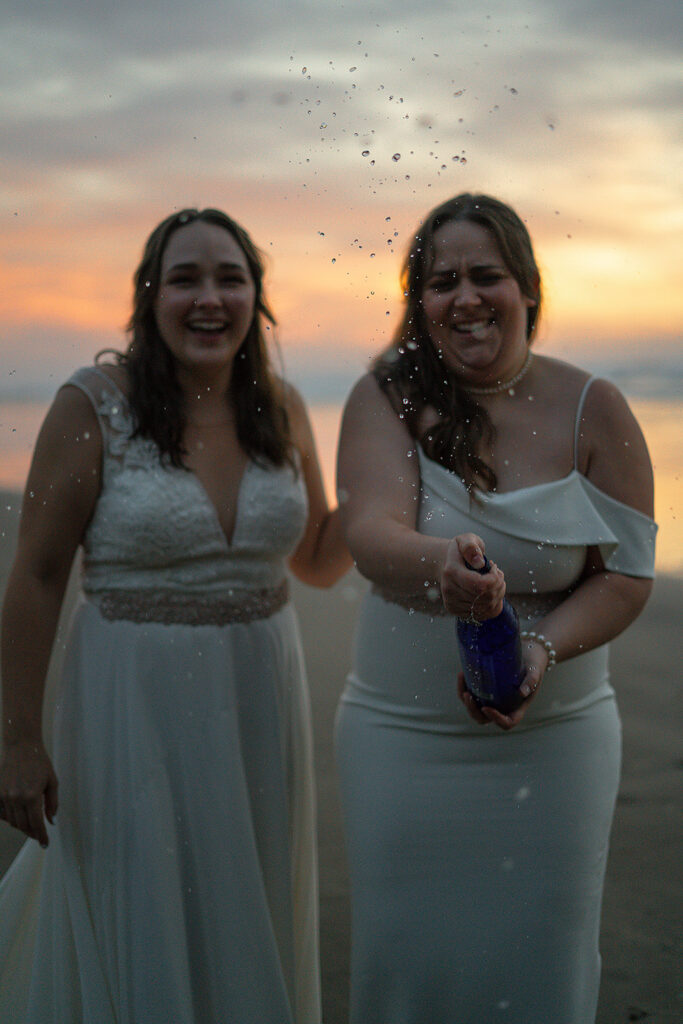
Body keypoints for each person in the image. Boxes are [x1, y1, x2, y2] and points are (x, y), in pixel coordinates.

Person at [0, 207, 351, 1023]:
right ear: (148, 297)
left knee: (247, 898)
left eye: (230, 278)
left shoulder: (284, 407)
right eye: (184, 277)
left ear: (256, 299)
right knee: (140, 901)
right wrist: (15, 737)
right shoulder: (91, 406)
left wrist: (403, 471)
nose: (209, 298)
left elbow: (318, 558)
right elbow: (39, 574)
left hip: (262, 697)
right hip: (133, 702)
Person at [335, 193, 657, 1024]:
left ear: (528, 289)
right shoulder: (385, 396)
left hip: (556, 746)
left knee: (540, 963)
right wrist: (439, 562)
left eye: (487, 275)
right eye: (442, 281)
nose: (466, 298)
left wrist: (539, 650)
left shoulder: (597, 409)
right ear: (420, 303)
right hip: (399, 739)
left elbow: (626, 577)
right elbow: (368, 530)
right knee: (403, 961)